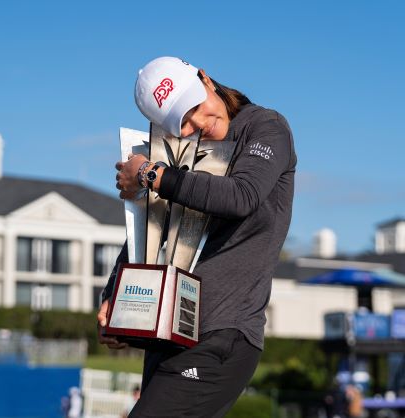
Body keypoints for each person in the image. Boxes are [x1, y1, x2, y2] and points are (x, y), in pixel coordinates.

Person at [97, 56, 297, 417]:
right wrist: (114, 294)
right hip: (168, 334)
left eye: (196, 108)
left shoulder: (266, 127)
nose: (198, 124)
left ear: (206, 79)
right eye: (182, 124)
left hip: (223, 332)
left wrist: (150, 175)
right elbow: (152, 229)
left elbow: (241, 196)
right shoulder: (176, 151)